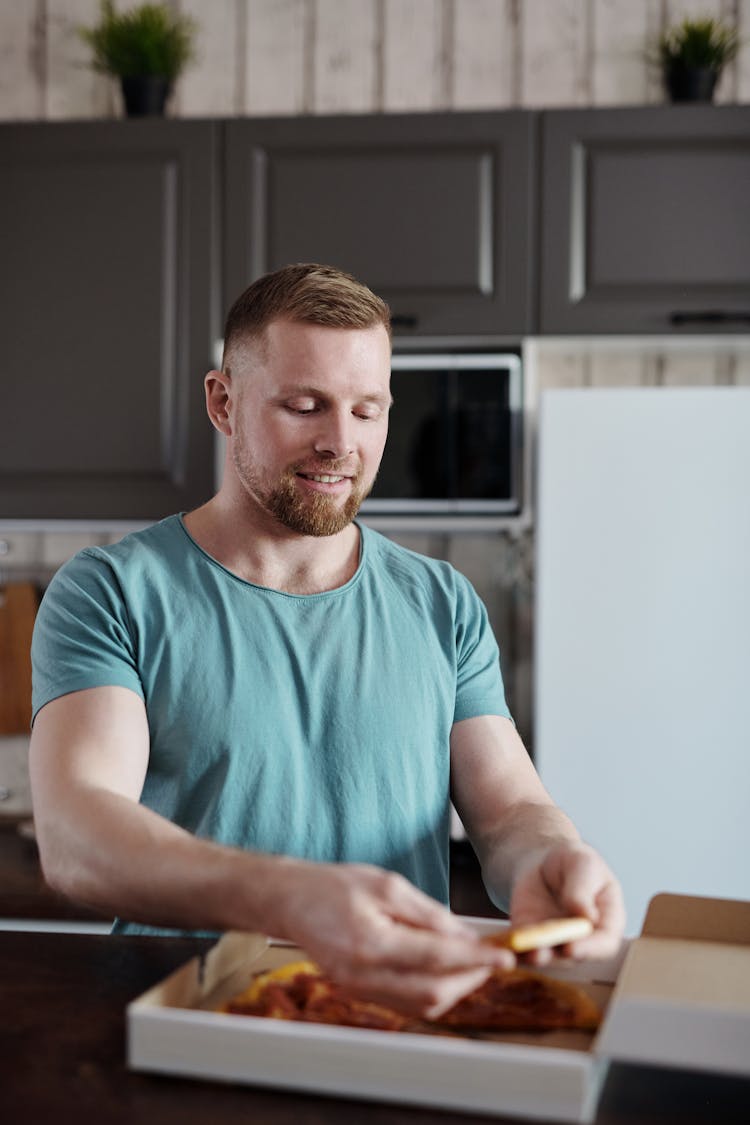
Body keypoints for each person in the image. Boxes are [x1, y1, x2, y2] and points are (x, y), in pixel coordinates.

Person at [29, 263, 624, 1018]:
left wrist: (550, 858)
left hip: (396, 1023)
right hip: (185, 1020)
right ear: (223, 401)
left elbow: (508, 812)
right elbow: (76, 828)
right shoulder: (112, 590)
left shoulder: (441, 604)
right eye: (304, 405)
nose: (340, 442)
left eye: (367, 410)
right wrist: (290, 896)